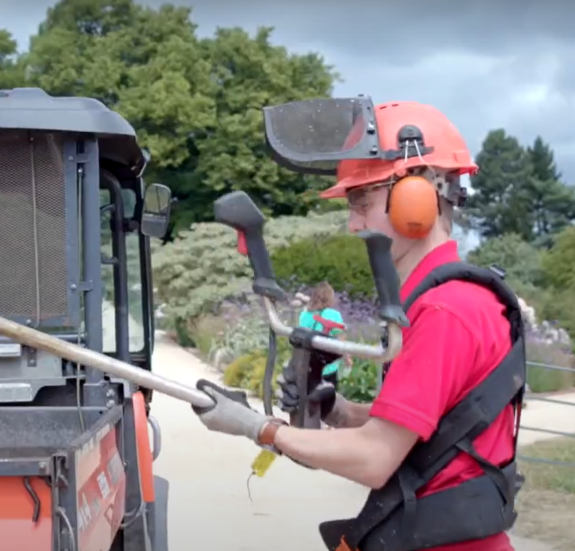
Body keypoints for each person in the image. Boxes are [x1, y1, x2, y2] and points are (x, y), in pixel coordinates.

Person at [192, 98, 526, 551]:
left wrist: (256, 427)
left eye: (361, 201)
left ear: (419, 194)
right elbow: (438, 424)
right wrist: (341, 412)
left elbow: (375, 458)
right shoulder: (457, 300)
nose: (353, 224)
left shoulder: (446, 311)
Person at [297, 281, 351, 391]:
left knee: (308, 397)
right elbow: (341, 340)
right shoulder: (333, 314)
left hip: (308, 365)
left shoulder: (304, 314)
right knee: (328, 401)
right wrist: (347, 359)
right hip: (328, 367)